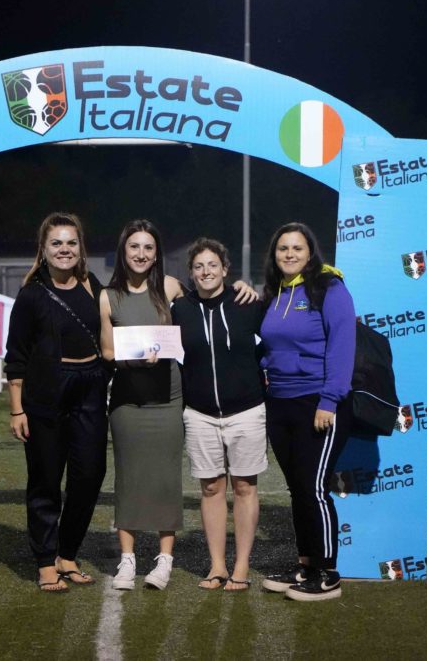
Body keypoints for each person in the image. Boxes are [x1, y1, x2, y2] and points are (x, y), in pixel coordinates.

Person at [100, 220, 256, 590]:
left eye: (148, 248)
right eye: (134, 247)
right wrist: (134, 358)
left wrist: (240, 287)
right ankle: (127, 560)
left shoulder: (170, 287)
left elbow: (207, 301)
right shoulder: (107, 296)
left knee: (166, 478)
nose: (141, 254)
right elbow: (107, 351)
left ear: (157, 254)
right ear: (123, 251)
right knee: (127, 477)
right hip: (128, 400)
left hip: (169, 398)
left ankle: (165, 560)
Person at [4, 212, 108, 593]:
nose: (65, 249)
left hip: (90, 390)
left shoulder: (93, 286)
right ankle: (46, 561)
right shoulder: (31, 295)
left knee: (90, 475)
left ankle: (67, 553)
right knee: (46, 480)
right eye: (57, 243)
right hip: (46, 393)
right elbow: (16, 356)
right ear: (44, 250)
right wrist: (17, 409)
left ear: (81, 248)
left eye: (71, 243)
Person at [258, 222, 356, 602]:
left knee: (314, 488)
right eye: (283, 248)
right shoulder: (275, 292)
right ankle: (306, 565)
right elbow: (269, 346)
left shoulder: (329, 288)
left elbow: (342, 346)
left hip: (317, 401)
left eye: (297, 248)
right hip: (279, 402)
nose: (289, 254)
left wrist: (329, 400)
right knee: (298, 489)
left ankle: (328, 574)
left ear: (310, 252)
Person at [171, 238, 267, 592]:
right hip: (199, 414)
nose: (206, 271)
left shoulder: (246, 303)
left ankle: (241, 566)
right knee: (210, 488)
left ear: (225, 269)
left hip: (247, 411)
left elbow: (277, 339)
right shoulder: (180, 309)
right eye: (199, 266)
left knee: (244, 486)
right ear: (191, 273)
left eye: (213, 265)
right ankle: (217, 566)